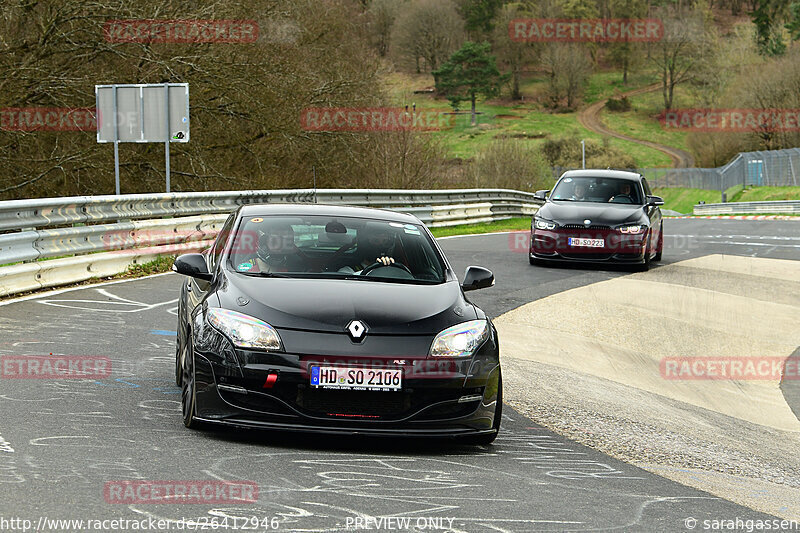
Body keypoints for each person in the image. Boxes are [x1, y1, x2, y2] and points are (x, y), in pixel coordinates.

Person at [237, 223, 308, 273]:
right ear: (264, 242)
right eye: (275, 241)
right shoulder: (244, 267)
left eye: (285, 242)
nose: (280, 246)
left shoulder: (296, 265)